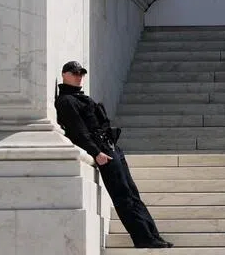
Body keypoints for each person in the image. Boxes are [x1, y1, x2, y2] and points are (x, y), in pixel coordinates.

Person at [55, 60, 174, 249]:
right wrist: (96, 153)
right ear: (64, 75)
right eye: (75, 73)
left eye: (81, 74)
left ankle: (153, 235)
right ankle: (143, 238)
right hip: (104, 152)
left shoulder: (81, 98)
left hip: (112, 148)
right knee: (123, 196)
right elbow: (79, 132)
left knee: (132, 193)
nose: (79, 77)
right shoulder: (66, 101)